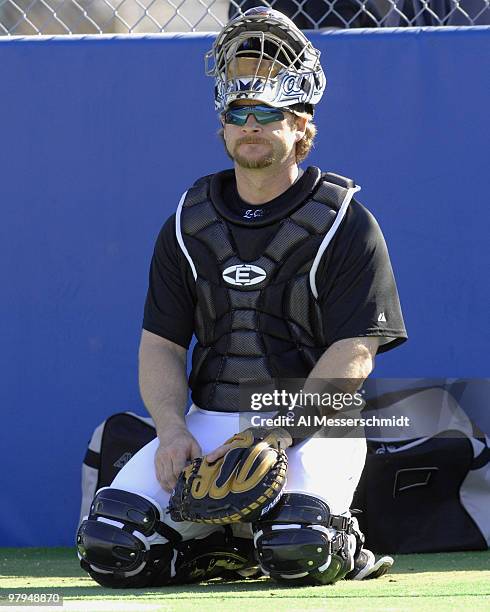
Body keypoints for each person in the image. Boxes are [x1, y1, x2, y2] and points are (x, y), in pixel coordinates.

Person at [77, 6, 407, 588]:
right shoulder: (188, 220)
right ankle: (216, 545)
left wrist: (278, 431)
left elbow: (356, 351)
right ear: (223, 126)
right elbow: (160, 344)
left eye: (267, 112)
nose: (250, 124)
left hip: (312, 419)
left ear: (301, 125)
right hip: (210, 415)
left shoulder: (346, 222)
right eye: (238, 111)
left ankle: (337, 543)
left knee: (297, 549)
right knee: (112, 542)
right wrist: (173, 428)